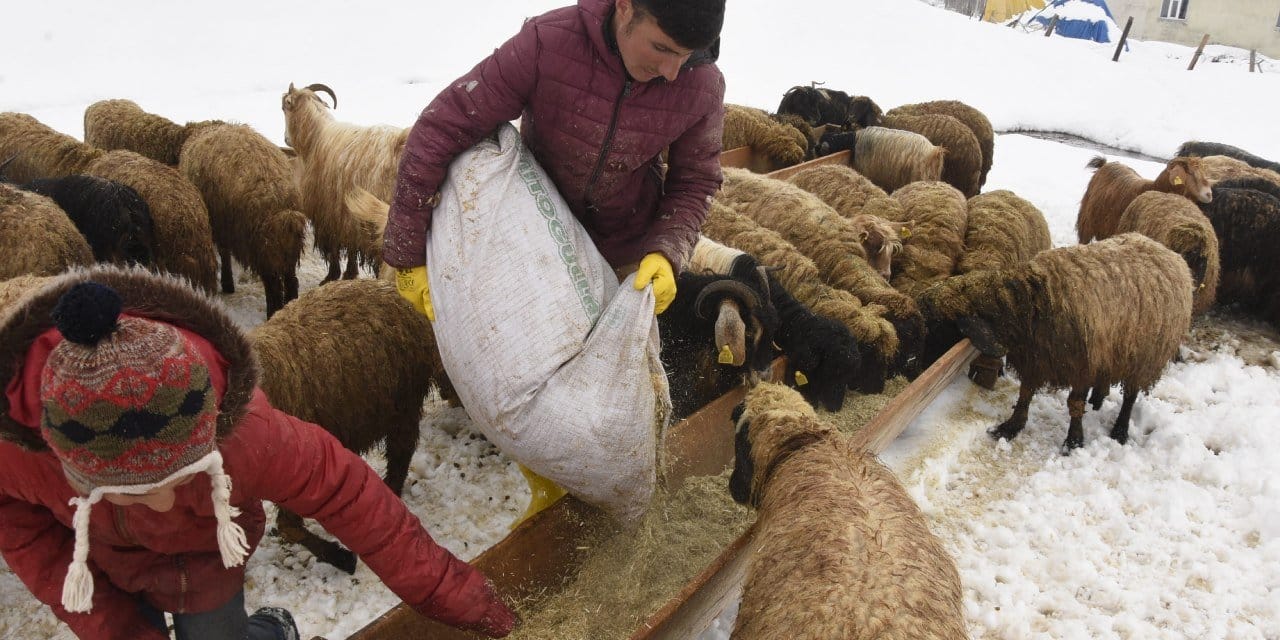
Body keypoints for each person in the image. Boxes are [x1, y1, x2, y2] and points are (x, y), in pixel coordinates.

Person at [0, 268, 516, 640]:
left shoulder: (244, 433)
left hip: (210, 553)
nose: (160, 503)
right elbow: (18, 527)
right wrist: (113, 628)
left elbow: (354, 499)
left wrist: (472, 604)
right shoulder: (23, 457)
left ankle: (269, 629)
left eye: (183, 476)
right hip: (99, 567)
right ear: (66, 461)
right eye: (128, 492)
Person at [383, 0, 727, 520]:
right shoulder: (550, 42)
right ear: (625, 7)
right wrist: (407, 254)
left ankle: (611, 493)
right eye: (660, 48)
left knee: (611, 395)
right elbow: (442, 125)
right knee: (522, 376)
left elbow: (695, 180)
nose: (671, 71)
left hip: (619, 251)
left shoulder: (701, 85)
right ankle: (545, 477)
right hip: (532, 239)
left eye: (686, 55)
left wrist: (666, 250)